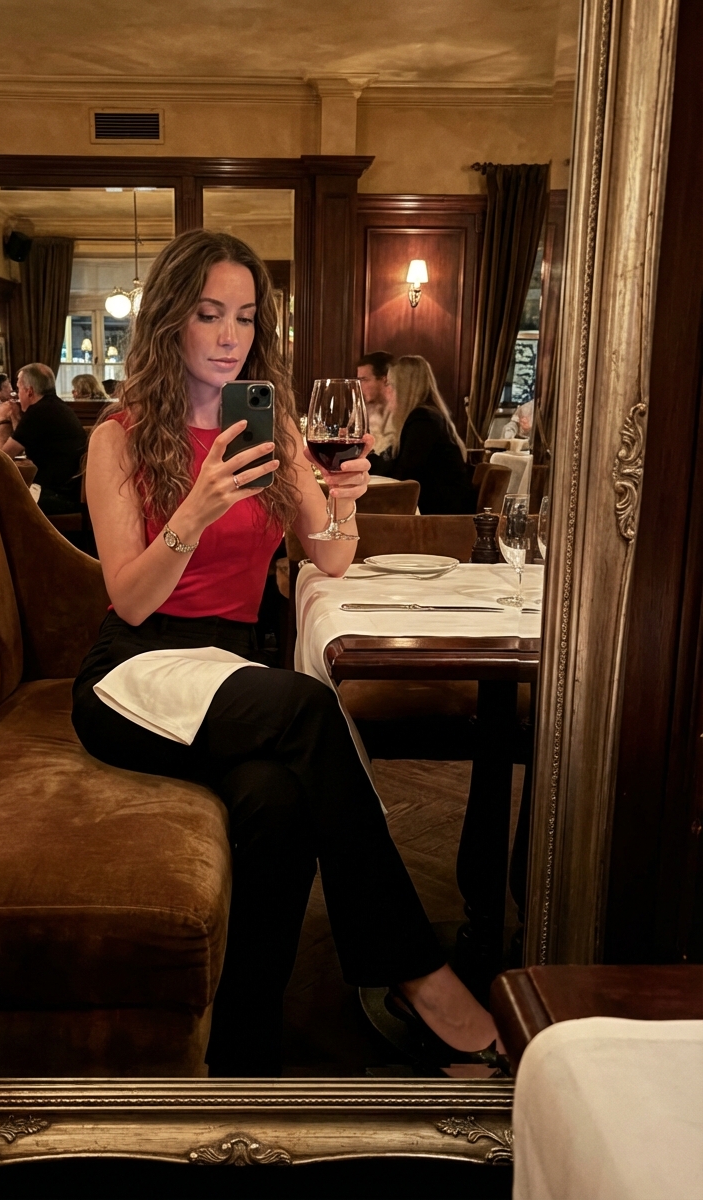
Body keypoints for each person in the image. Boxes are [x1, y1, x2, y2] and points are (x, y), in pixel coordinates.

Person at [70, 229, 503, 1077]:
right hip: (135, 672)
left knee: (276, 801)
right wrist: (193, 512)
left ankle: (246, 1052)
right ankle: (418, 976)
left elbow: (331, 557)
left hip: (230, 671)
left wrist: (343, 500)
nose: (229, 336)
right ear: (170, 320)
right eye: (209, 314)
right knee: (308, 706)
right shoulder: (119, 437)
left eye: (244, 317)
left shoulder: (274, 429)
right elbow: (131, 598)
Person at [369, 355, 475, 514]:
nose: (387, 391)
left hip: (444, 515)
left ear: (404, 388)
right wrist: (363, 459)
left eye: (389, 384)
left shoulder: (424, 421)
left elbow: (403, 474)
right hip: (437, 507)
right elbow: (393, 461)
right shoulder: (423, 417)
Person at [0, 363, 87, 514]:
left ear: (29, 391)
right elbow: (22, 440)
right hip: (68, 490)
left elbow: (0, 458)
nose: (17, 395)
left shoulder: (38, 412)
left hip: (58, 497)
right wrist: (15, 416)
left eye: (18, 389)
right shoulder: (54, 406)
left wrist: (3, 420)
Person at [356, 351, 396, 454]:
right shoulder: (362, 409)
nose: (359, 386)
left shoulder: (402, 414)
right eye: (359, 380)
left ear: (385, 380)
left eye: (364, 380)